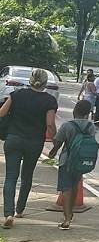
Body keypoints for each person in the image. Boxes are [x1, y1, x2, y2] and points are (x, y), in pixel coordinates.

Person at [0, 69, 58, 228]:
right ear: (45, 83)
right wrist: (55, 142)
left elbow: (2, 113)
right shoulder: (49, 100)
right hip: (34, 142)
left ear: (30, 81)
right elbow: (50, 124)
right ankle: (19, 210)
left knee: (11, 177)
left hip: (13, 139)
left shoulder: (17, 94)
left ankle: (8, 213)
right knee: (27, 176)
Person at [47, 100, 96, 230]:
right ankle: (71, 213)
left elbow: (58, 142)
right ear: (88, 113)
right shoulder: (91, 127)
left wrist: (52, 152)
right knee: (74, 186)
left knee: (65, 188)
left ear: (74, 111)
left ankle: (67, 218)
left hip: (66, 161)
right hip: (80, 162)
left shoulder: (67, 125)